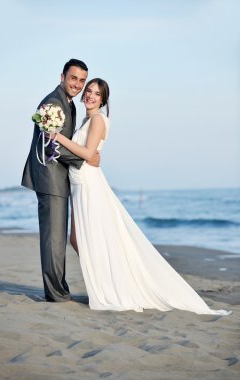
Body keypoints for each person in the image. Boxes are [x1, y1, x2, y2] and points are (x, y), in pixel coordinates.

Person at [47, 77, 231, 316]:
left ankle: (112, 284)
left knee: (92, 238)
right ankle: (106, 280)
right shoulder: (86, 119)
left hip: (89, 185)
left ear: (103, 100)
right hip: (79, 184)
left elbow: (88, 153)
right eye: (89, 91)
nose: (91, 95)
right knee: (78, 239)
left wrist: (58, 137)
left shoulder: (99, 120)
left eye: (97, 94)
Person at [21, 59, 100, 302]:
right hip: (50, 178)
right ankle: (56, 293)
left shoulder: (69, 104)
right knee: (54, 239)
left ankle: (59, 288)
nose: (77, 84)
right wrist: (84, 159)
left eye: (81, 80)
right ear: (62, 77)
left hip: (58, 178)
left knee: (57, 238)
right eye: (73, 78)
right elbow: (48, 145)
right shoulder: (53, 103)